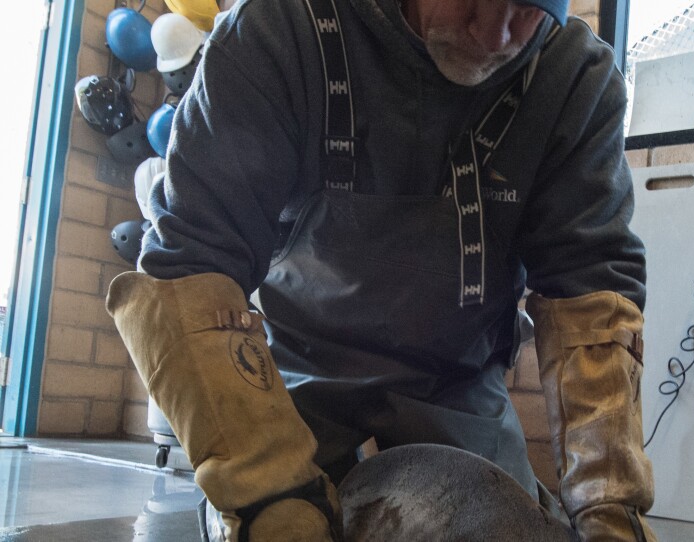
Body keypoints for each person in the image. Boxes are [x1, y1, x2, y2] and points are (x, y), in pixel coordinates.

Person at [105, 0, 657, 540]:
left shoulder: (573, 78)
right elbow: (191, 265)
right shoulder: (278, 29)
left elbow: (591, 287)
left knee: (496, 523)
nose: (495, 36)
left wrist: (611, 512)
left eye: (527, 9)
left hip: (457, 390)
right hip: (290, 389)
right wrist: (269, 502)